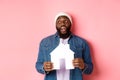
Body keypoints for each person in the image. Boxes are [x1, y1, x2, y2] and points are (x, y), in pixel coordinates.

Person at [35, 12, 93, 80]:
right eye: (59, 22)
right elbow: (38, 65)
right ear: (55, 25)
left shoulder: (82, 42)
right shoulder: (45, 42)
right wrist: (43, 67)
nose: (62, 24)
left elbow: (90, 69)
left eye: (66, 21)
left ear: (70, 23)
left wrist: (83, 66)